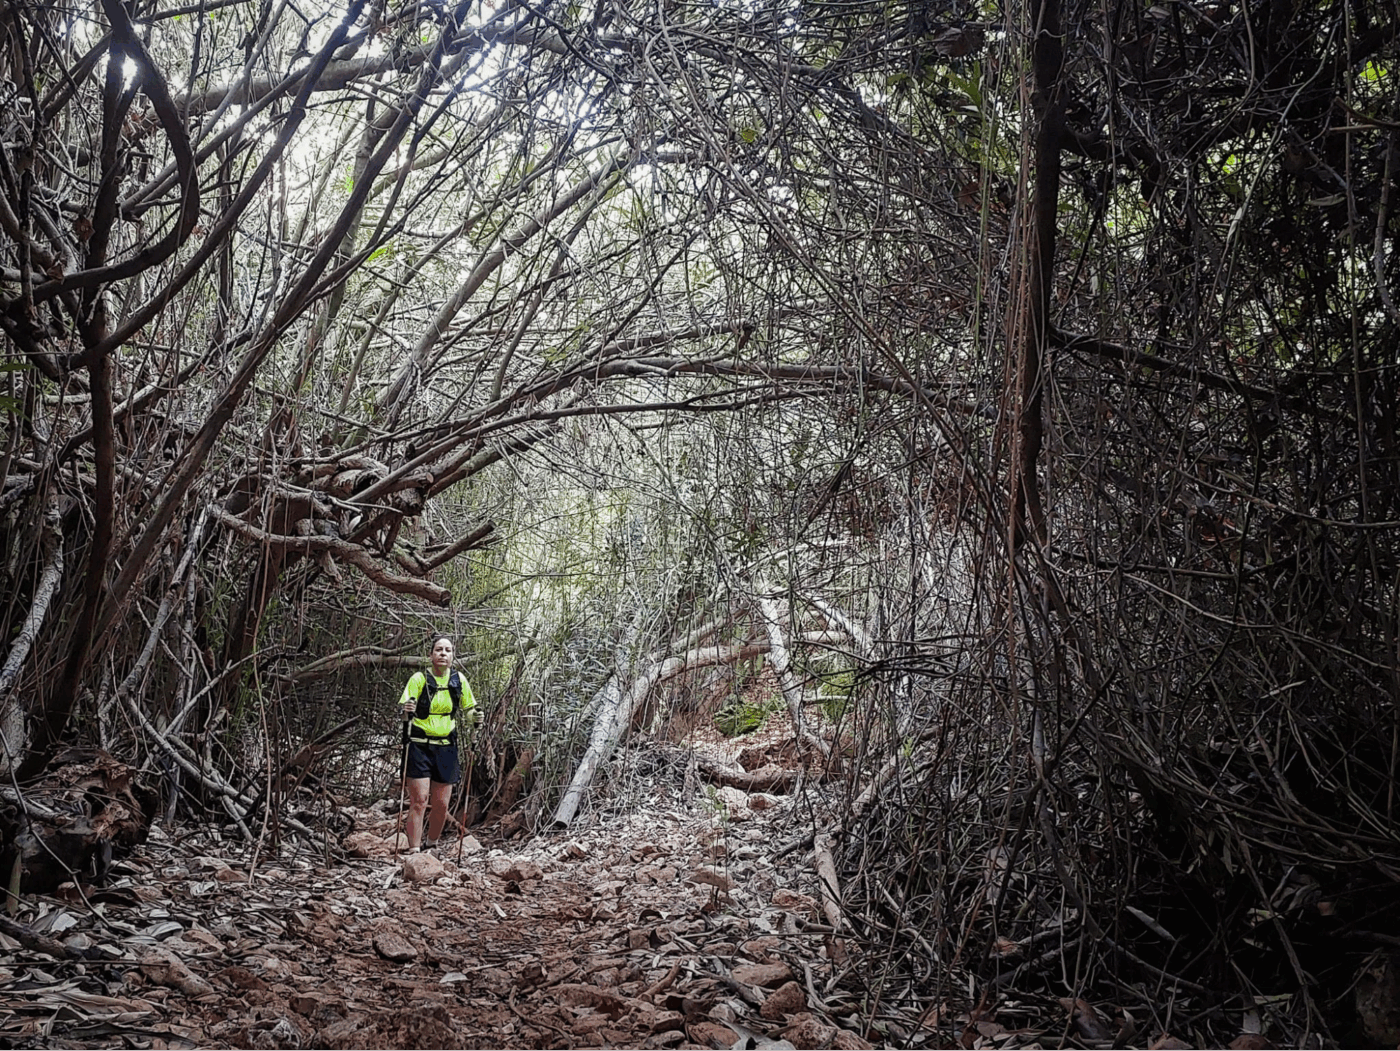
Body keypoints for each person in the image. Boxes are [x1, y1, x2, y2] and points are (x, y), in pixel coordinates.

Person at [396, 636, 477, 851]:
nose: (443, 653)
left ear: (452, 656)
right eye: (439, 650)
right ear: (431, 655)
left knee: (441, 804)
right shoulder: (418, 678)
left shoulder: (459, 680)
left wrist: (475, 717)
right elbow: (404, 710)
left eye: (447, 650)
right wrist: (407, 710)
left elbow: (469, 709)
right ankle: (414, 850)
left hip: (446, 746)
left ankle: (432, 844)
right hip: (419, 745)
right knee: (420, 801)